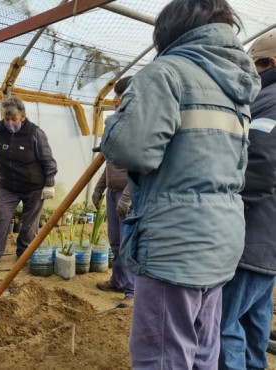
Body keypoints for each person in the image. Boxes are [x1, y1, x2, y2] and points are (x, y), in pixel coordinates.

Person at [100, 0, 261, 368]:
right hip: (221, 240)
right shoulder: (235, 82)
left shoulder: (167, 73)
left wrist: (116, 124)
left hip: (174, 243)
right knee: (202, 349)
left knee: (161, 355)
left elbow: (129, 149)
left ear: (169, 31)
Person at [219, 29, 276, 370]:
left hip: (254, 233)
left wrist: (229, 209)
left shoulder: (270, 98)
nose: (252, 71)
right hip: (268, 238)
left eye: (256, 64)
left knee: (224, 321)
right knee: (254, 318)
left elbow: (262, 161)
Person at [0, 96, 57, 268]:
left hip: (33, 187)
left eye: (14, 119)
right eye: (7, 119)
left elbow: (48, 159)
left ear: (23, 116)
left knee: (29, 224)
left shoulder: (35, 133)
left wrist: (50, 182)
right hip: (8, 186)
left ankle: (24, 254)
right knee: (1, 219)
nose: (10, 122)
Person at [92, 76, 134, 308]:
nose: (115, 99)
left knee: (127, 243)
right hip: (113, 192)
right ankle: (118, 280)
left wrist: (127, 197)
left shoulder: (137, 125)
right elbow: (109, 163)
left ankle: (131, 291)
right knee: (116, 242)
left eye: (119, 95)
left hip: (128, 195)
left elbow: (139, 168)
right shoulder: (117, 123)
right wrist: (100, 189)